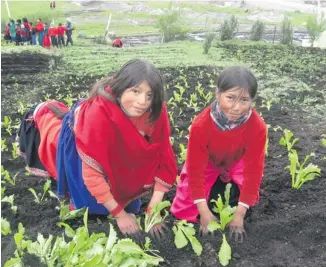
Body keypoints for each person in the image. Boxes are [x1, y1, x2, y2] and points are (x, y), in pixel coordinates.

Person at [17, 59, 178, 235]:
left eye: (150, 95)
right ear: (121, 88)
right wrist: (119, 215)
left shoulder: (155, 110)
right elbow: (92, 175)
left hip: (119, 153)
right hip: (85, 139)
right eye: (136, 91)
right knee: (93, 207)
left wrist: (153, 210)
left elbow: (164, 156)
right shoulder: (99, 114)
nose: (142, 102)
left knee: (131, 204)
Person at [170, 66, 267, 242]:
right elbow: (195, 170)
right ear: (218, 94)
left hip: (237, 164)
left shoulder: (257, 127)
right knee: (186, 208)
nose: (236, 107)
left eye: (244, 100)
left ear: (252, 101)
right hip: (208, 164)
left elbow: (254, 171)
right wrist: (204, 212)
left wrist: (239, 214)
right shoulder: (202, 125)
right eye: (230, 98)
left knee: (241, 198)